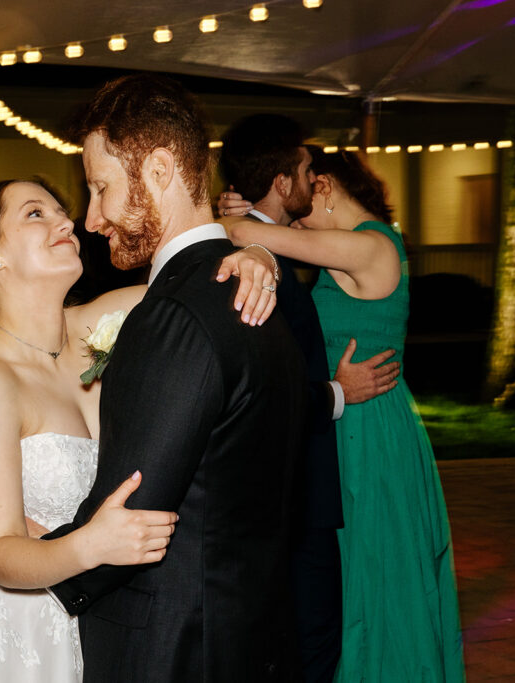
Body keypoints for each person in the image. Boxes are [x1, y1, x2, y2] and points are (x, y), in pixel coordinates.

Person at [0, 177, 276, 681]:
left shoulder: (103, 320)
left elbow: (202, 281)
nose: (67, 222)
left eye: (61, 211)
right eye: (36, 214)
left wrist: (257, 257)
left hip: (106, 620)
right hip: (21, 637)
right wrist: (90, 545)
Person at [41, 74, 308, 682]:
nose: (92, 218)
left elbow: (132, 512)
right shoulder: (253, 294)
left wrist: (24, 563)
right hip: (248, 633)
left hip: (174, 648)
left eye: (101, 188)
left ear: (159, 170)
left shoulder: (175, 316)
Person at [219, 147, 466, 682]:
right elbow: (263, 235)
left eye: (305, 187)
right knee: (351, 575)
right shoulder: (346, 252)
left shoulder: (371, 246)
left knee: (376, 574)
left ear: (325, 186)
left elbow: (248, 235)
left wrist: (242, 219)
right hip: (348, 423)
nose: (296, 207)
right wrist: (250, 217)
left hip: (369, 430)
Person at [217, 114, 400, 682]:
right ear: (286, 183)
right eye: (300, 172)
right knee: (313, 623)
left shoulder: (361, 247)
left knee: (345, 600)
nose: (306, 186)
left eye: (312, 176)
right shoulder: (281, 258)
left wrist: (231, 220)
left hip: (358, 435)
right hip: (310, 455)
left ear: (328, 188)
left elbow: (266, 238)